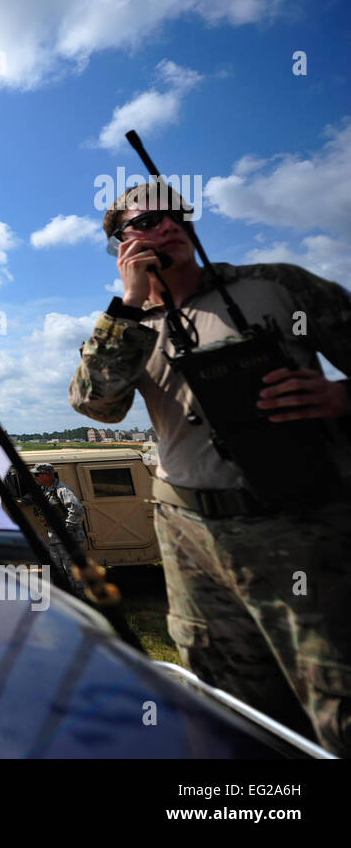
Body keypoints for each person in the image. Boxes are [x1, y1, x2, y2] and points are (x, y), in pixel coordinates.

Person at [70, 180, 351, 754]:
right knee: (225, 702)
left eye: (176, 214)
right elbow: (96, 403)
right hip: (189, 539)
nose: (167, 225)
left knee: (336, 691)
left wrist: (340, 399)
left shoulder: (276, 287)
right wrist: (128, 303)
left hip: (300, 526)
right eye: (146, 223)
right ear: (120, 246)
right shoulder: (126, 328)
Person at [31, 463, 87, 596]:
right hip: (54, 538)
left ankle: (83, 601)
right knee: (56, 570)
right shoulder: (47, 490)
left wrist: (67, 528)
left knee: (72, 571)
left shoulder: (62, 490)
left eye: (38, 474)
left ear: (48, 475)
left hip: (67, 538)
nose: (36, 477)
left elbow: (77, 510)